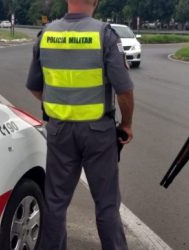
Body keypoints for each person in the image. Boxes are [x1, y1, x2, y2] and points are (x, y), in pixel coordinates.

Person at [26, 0, 134, 249]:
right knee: (106, 204)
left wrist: (62, 102)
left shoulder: (46, 34)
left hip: (59, 129)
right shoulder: (105, 34)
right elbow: (124, 91)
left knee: (55, 202)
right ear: (95, 1)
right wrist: (127, 124)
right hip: (98, 132)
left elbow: (34, 85)